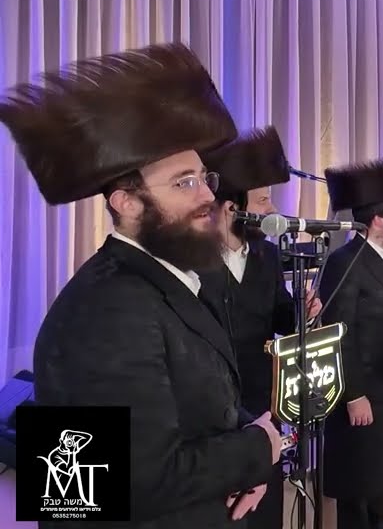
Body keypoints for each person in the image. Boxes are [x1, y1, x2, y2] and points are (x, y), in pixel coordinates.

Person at [0, 43, 281, 527]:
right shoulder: (101, 310)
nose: (208, 196)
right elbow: (118, 482)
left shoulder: (175, 278)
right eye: (184, 182)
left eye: (204, 178)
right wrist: (257, 449)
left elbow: (200, 406)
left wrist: (247, 461)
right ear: (126, 203)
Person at [200, 125, 322, 529]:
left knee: (266, 511)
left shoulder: (267, 255)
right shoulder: (194, 262)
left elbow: (280, 318)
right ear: (231, 208)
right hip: (214, 412)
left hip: (264, 403)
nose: (272, 210)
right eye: (264, 200)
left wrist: (304, 311)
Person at [317, 154, 383, 529]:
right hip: (363, 393)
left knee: (381, 479)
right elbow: (338, 333)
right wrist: (353, 394)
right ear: (378, 219)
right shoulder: (345, 261)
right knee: (358, 485)